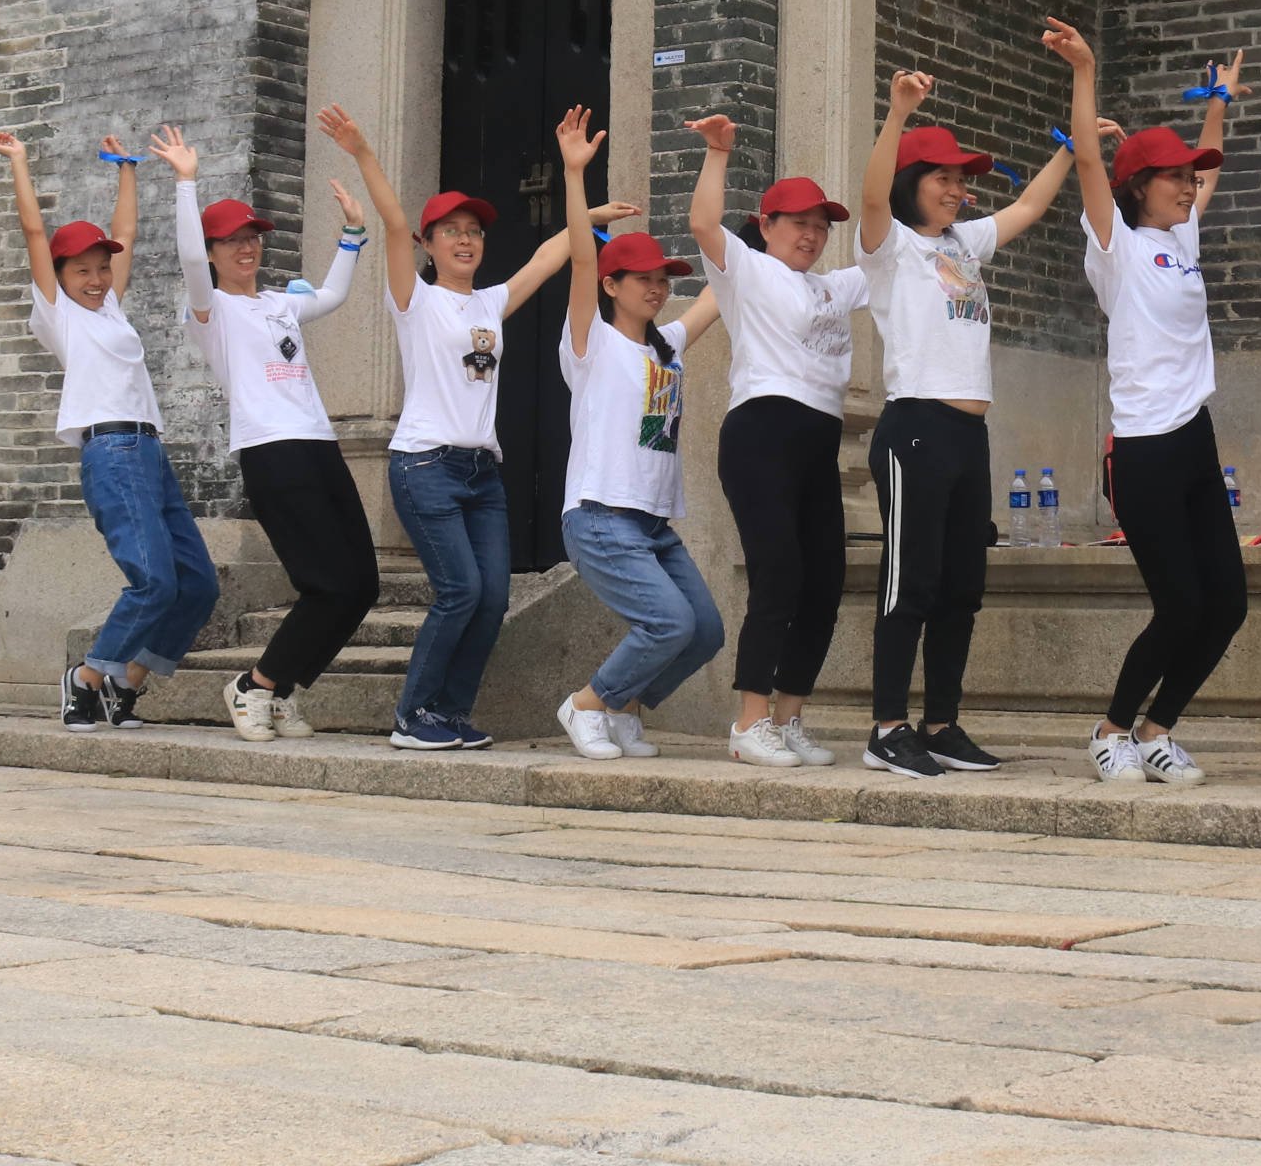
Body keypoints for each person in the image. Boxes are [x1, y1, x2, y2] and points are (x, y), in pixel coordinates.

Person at [316, 102, 640, 752]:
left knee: (491, 597)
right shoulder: (416, 300)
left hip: (480, 474)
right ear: (430, 247)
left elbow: (555, 253)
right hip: (425, 468)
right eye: (451, 232)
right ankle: (414, 716)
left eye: (475, 232)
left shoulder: (491, 302)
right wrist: (362, 151)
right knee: (461, 589)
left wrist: (589, 205)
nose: (465, 240)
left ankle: (450, 715)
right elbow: (395, 219)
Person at [854, 67, 1094, 778]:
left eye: (963, 179)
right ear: (912, 181)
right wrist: (897, 113)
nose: (958, 189)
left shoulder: (961, 244)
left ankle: (941, 724)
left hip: (969, 434)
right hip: (916, 427)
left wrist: (1073, 152)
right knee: (912, 582)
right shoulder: (890, 244)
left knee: (962, 586)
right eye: (944, 177)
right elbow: (869, 193)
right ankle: (887, 727)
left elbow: (1026, 209)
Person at [1046, 20, 1248, 786]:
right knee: (1181, 606)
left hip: (1194, 438)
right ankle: (1110, 728)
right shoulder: (1118, 249)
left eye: (1190, 176)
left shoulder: (1181, 239)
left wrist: (1218, 108)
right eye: (1173, 176)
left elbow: (1207, 167)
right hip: (1143, 452)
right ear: (1138, 187)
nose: (1189, 183)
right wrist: (1086, 68)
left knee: (1226, 603)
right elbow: (1091, 160)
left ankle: (1158, 729)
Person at [146, 125, 376, 745]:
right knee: (325, 584)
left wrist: (353, 232)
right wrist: (186, 182)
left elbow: (333, 293)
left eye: (251, 239)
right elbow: (190, 259)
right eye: (232, 242)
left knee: (363, 585)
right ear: (215, 253)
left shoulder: (280, 302)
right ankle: (255, 685)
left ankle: (285, 689)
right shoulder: (211, 311)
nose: (245, 249)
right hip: (272, 451)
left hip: (319, 446)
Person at [0, 129, 218, 733]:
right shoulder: (58, 316)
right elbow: (35, 234)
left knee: (197, 585)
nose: (94, 279)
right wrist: (20, 161)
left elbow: (129, 235)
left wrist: (127, 169)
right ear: (59, 277)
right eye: (81, 271)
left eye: (101, 268)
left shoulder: (110, 307)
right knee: (154, 581)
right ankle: (87, 676)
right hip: (111, 452)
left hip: (149, 450)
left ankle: (125, 682)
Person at [685, 112, 870, 769]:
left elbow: (889, 257)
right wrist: (717, 153)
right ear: (767, 227)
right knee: (779, 574)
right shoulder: (746, 271)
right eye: (799, 223)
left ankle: (789, 718)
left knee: (825, 581)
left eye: (821, 226)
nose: (813, 235)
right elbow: (704, 225)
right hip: (761, 433)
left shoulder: (832, 285)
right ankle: (749, 721)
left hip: (818, 442)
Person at [552, 106, 727, 760]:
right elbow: (575, 262)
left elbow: (717, 294)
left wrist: (752, 245)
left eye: (663, 279)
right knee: (667, 622)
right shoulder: (590, 344)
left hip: (653, 524)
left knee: (703, 632)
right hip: (601, 516)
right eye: (643, 279)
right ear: (612, 283)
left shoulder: (666, 347)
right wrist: (576, 178)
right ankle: (587, 703)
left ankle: (622, 706)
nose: (657, 288)